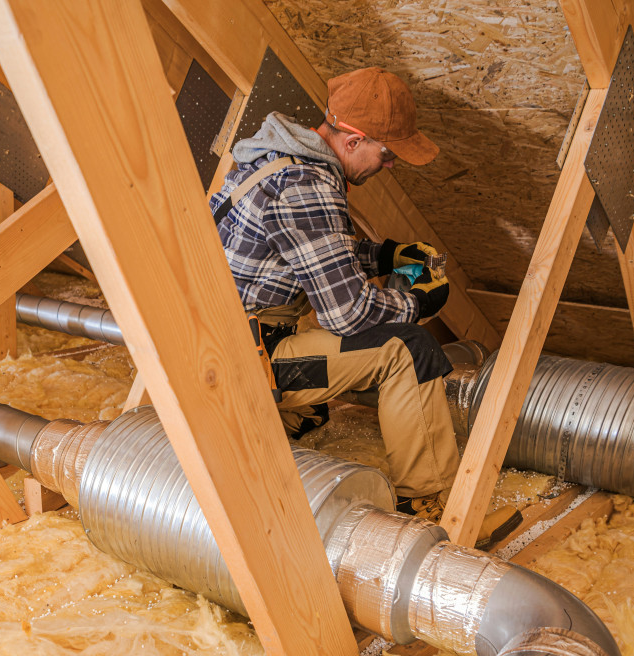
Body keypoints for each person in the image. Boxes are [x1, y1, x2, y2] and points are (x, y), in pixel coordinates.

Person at [210, 67, 520, 549]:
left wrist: (386, 255)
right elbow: (349, 314)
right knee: (408, 349)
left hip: (221, 339)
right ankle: (436, 510)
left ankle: (282, 423)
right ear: (354, 140)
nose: (389, 165)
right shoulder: (308, 185)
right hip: (246, 362)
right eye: (387, 154)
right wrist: (419, 302)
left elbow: (312, 252)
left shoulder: (277, 160)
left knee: (317, 406)